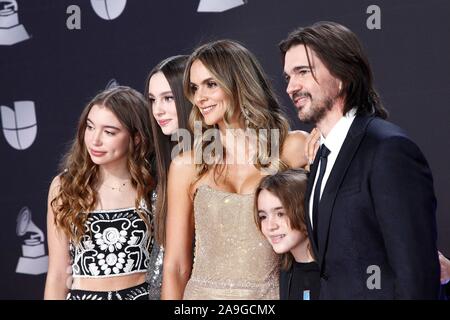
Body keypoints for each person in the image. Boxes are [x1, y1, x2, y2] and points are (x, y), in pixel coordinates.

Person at [279, 21, 440, 299]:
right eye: (288, 77)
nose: (291, 87)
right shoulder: (321, 155)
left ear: (343, 76)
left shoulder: (388, 149)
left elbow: (416, 275)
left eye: (302, 72)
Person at [161, 39, 309, 299]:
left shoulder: (293, 148)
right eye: (195, 88)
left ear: (239, 83)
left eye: (211, 84)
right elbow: (176, 267)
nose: (199, 97)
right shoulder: (186, 166)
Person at [44, 86, 155, 300]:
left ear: (137, 137)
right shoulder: (65, 186)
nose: (95, 140)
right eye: (90, 127)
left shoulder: (154, 186)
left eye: (109, 132)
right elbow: (57, 274)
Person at [144, 55, 193, 299]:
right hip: (159, 288)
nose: (157, 110)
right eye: (153, 100)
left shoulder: (213, 160)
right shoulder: (159, 160)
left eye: (168, 98)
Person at [255, 168, 320, 300]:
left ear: (304, 210)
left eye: (280, 214)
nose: (270, 226)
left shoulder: (334, 274)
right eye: (263, 216)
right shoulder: (286, 273)